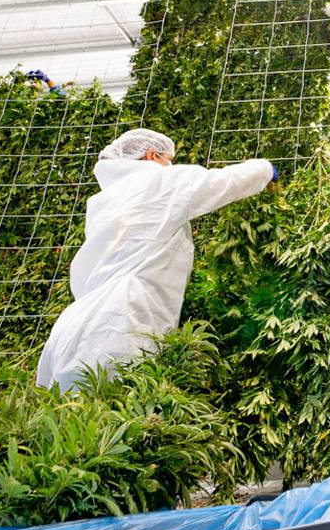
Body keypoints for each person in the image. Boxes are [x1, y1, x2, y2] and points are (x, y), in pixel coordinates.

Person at [35, 128, 276, 391]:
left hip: (72, 328)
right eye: (168, 159)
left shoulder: (105, 201)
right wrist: (265, 169)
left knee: (69, 421)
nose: (170, 165)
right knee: (116, 412)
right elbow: (219, 182)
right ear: (151, 155)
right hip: (119, 324)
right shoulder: (157, 182)